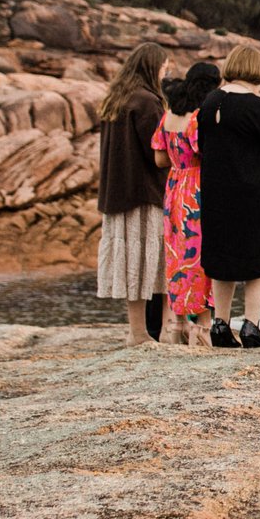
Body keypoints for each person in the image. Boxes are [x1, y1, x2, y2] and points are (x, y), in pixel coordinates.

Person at [197, 42, 260, 349]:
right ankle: (251, 324)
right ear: (258, 69)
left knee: (222, 255)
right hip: (254, 192)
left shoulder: (210, 102)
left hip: (216, 190)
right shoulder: (259, 106)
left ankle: (220, 325)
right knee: (259, 256)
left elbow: (203, 147)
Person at [95, 41, 169, 347]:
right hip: (145, 192)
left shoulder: (117, 99)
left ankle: (136, 330)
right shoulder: (148, 102)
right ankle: (159, 331)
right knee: (156, 261)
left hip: (117, 193)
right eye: (165, 66)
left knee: (131, 264)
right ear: (153, 67)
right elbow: (156, 154)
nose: (167, 72)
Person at [152, 60, 220, 347]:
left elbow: (159, 159)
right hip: (198, 189)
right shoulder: (197, 118)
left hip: (174, 187)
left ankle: (176, 324)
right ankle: (203, 327)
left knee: (176, 254)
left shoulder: (168, 117)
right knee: (200, 254)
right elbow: (208, 154)